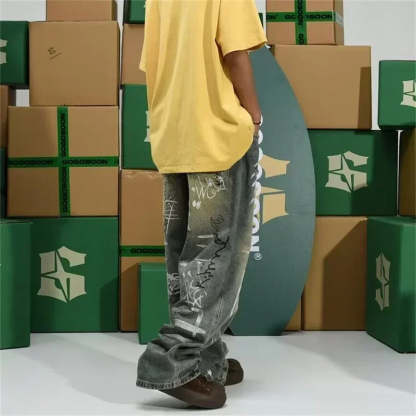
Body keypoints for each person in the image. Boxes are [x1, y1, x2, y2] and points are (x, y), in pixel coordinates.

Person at [136, 0, 267, 409]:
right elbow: (236, 54)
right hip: (216, 136)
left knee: (185, 257)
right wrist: (254, 116)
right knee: (217, 259)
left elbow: (152, 65)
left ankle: (206, 361)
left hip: (174, 134)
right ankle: (171, 360)